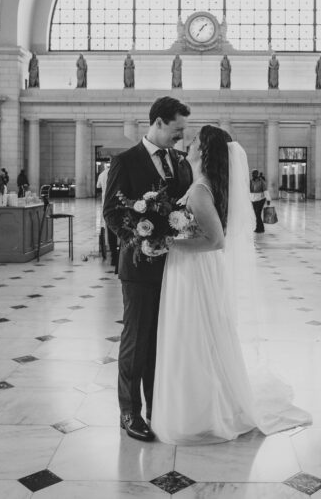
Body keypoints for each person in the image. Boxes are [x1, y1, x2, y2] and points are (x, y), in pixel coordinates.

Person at [151, 125, 310, 444]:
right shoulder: (202, 185)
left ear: (204, 152)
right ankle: (202, 403)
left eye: (194, 142)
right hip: (195, 267)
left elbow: (215, 240)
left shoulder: (200, 189)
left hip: (194, 268)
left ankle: (203, 410)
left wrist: (168, 241)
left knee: (194, 334)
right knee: (200, 334)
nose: (189, 145)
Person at [102, 96, 193, 442]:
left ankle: (159, 404)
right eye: (176, 129)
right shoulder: (125, 161)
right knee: (136, 340)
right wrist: (139, 239)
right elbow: (111, 212)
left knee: (163, 339)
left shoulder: (181, 163)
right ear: (157, 122)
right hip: (139, 268)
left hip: (176, 268)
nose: (180, 137)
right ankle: (129, 412)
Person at [96, 162, 118, 271]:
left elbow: (98, 186)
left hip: (107, 204)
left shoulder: (103, 174)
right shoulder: (119, 172)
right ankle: (118, 256)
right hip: (118, 205)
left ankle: (114, 256)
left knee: (110, 230)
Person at [249, 169, 267, 233]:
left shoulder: (261, 181)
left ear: (257, 174)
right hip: (254, 199)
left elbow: (265, 189)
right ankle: (260, 228)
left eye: (254, 173)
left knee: (258, 213)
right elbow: (250, 190)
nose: (253, 175)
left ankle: (259, 228)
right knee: (256, 214)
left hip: (261, 199)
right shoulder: (251, 181)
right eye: (252, 173)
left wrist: (268, 199)